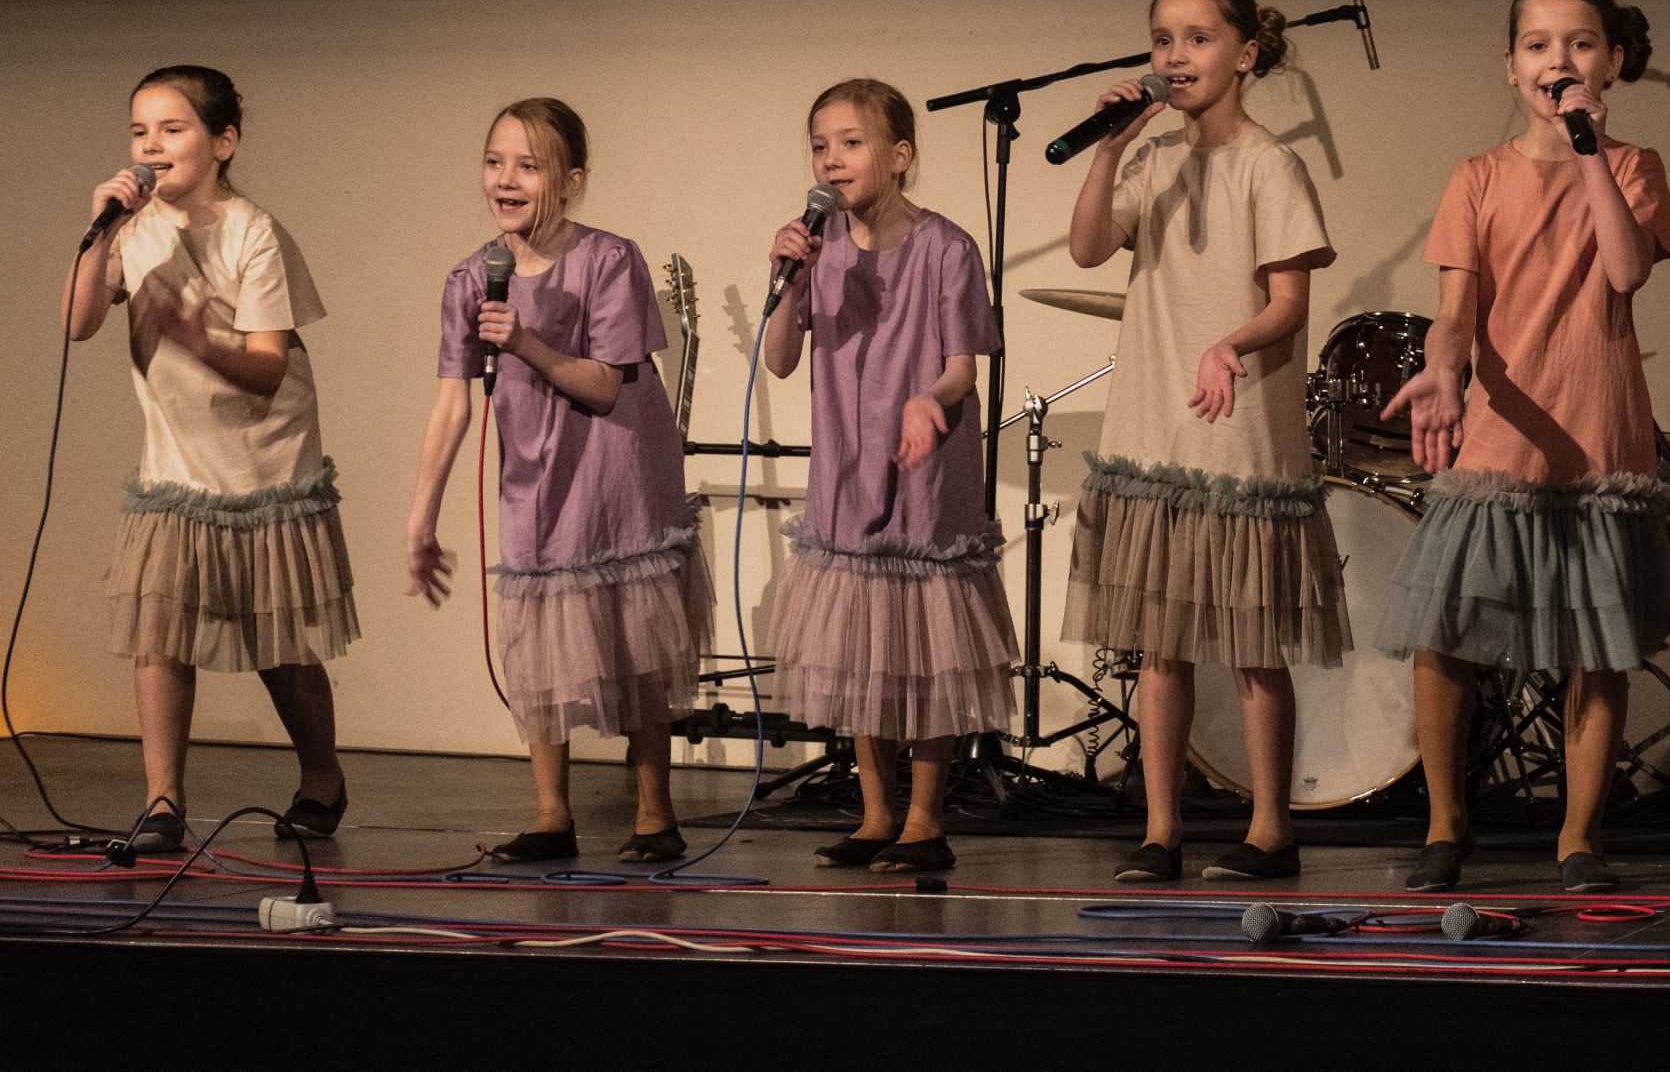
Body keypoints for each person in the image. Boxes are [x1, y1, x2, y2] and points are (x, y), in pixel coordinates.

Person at [1377, 0, 1670, 895]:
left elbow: (1626, 269)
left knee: (1596, 646)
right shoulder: (1477, 176)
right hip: (1502, 438)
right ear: (1510, 65)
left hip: (1601, 435)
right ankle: (1445, 822)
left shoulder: (1633, 165)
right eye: (1538, 43)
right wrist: (1442, 369)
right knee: (1446, 633)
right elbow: (1455, 315)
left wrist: (1589, 150)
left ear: (1613, 62)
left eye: (1581, 43)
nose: (1560, 59)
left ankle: (1579, 837)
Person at [1062, 0, 1340, 884]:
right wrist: (1109, 148)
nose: (1174, 56)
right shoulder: (1151, 161)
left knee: (1254, 646)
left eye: (1197, 38)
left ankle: (1270, 829)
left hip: (1238, 430)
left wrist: (1230, 342)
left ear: (1245, 53)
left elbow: (1290, 302)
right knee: (1160, 644)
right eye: (1162, 39)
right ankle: (1161, 829)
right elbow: (1088, 247)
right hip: (1154, 430)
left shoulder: (1270, 163)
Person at [406, 99, 710, 864]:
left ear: (570, 181)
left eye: (528, 165)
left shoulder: (610, 259)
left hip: (619, 470)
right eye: (494, 161)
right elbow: (451, 405)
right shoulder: (470, 278)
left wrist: (526, 341)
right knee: (537, 636)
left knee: (637, 635)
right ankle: (551, 813)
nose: (505, 179)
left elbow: (604, 385)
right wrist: (422, 516)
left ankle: (654, 811)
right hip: (534, 475)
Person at [63, 65, 358, 854]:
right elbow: (77, 322)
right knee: (161, 628)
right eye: (140, 130)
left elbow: (265, 367)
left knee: (276, 641)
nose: (151, 145)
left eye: (173, 128)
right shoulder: (132, 227)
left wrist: (197, 340)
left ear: (223, 142)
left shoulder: (253, 232)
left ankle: (323, 775)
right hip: (176, 462)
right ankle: (163, 801)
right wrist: (98, 229)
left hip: (264, 461)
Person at [761, 79, 1014, 874]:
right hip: (846, 472)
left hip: (924, 471)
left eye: (851, 142)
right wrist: (787, 279)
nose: (831, 159)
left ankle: (925, 820)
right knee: (860, 646)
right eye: (819, 145)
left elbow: (962, 366)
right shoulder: (818, 246)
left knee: (926, 650)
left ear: (899, 155)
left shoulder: (947, 247)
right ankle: (876, 815)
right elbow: (779, 358)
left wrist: (928, 401)